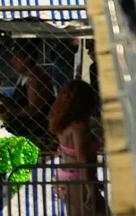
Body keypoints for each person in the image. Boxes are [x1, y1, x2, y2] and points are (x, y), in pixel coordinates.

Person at [48, 80, 103, 216]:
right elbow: (82, 158)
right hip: (80, 179)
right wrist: (90, 186)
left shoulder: (62, 124)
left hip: (67, 177)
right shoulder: (79, 127)